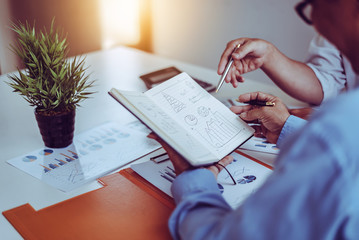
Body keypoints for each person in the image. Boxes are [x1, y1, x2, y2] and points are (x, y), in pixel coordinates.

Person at [148, 0, 359, 239]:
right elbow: (329, 79)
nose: (315, 18)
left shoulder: (336, 132)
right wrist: (286, 126)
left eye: (312, 4)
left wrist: (192, 179)